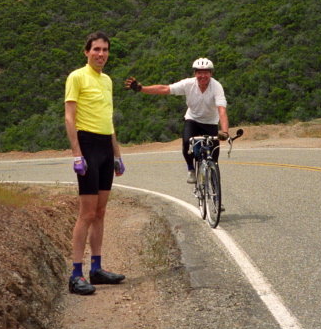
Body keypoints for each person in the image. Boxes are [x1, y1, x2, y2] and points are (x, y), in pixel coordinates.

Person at [64, 31, 126, 296]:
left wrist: (117, 154)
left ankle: (96, 269)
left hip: (104, 146)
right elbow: (69, 117)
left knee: (100, 212)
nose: (101, 54)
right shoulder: (77, 77)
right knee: (87, 214)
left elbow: (108, 120)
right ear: (86, 51)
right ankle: (75, 275)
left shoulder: (108, 81)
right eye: (96, 49)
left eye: (105, 50)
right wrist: (77, 153)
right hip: (87, 145)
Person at [125, 57, 229, 184]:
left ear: (211, 73)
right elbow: (165, 89)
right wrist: (141, 89)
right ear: (195, 74)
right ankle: (191, 169)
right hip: (193, 120)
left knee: (214, 157)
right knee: (186, 142)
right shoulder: (188, 84)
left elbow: (222, 110)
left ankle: (214, 192)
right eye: (199, 72)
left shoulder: (216, 87)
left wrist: (224, 132)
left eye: (206, 72)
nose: (203, 76)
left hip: (211, 123)